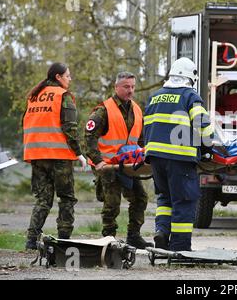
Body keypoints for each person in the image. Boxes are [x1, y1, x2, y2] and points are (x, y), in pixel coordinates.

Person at [144, 57, 213, 251]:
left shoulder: (155, 96)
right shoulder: (190, 96)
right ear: (191, 78)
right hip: (180, 158)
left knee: (165, 198)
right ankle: (180, 246)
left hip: (156, 157)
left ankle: (162, 232)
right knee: (184, 200)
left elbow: (146, 127)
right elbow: (203, 127)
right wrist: (208, 149)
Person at [23, 62, 87, 250]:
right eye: (68, 75)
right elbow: (70, 128)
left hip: (36, 154)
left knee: (43, 199)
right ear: (58, 77)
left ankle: (31, 240)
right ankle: (64, 238)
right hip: (58, 155)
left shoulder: (34, 96)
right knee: (66, 198)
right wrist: (79, 153)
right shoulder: (62, 96)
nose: (70, 79)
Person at [85, 72, 151, 249]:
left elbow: (141, 139)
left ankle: (134, 236)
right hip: (108, 164)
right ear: (116, 87)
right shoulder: (103, 110)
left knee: (140, 197)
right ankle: (109, 238)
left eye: (133, 87)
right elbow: (89, 137)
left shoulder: (137, 109)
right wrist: (98, 161)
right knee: (112, 203)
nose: (130, 90)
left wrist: (143, 156)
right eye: (126, 87)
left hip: (129, 163)